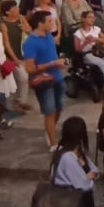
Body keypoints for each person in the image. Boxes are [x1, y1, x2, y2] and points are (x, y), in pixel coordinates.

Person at [22, 10, 67, 147]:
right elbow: (30, 68)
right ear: (40, 23)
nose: (52, 23)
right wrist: (53, 64)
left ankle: (50, 130)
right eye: (49, 21)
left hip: (58, 77)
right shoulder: (30, 43)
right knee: (49, 111)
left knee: (58, 108)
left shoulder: (48, 36)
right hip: (44, 81)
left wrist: (59, 62)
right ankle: (53, 143)